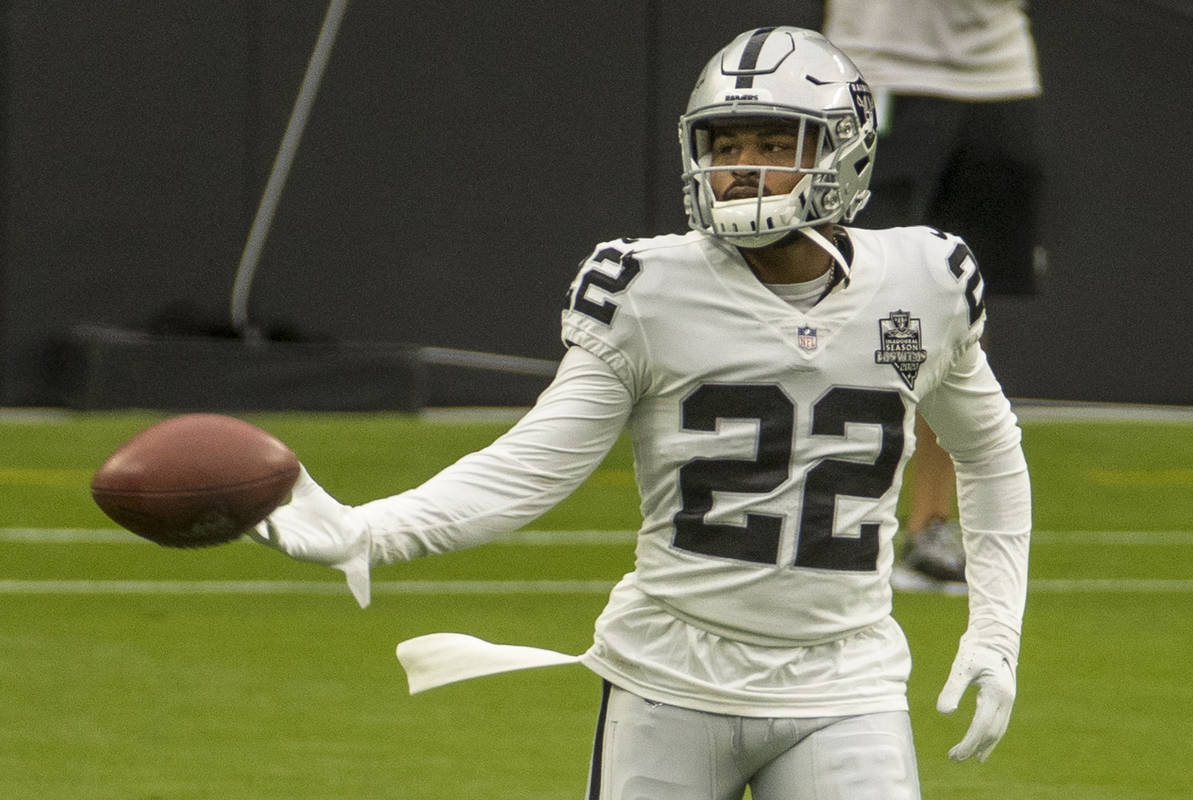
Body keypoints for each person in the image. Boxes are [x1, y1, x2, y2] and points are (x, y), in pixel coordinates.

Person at [252, 27, 1031, 799]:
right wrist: (369, 532)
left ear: (844, 150)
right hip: (671, 679)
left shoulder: (925, 279)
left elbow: (991, 453)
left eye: (772, 142)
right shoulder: (648, 288)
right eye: (724, 147)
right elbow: (533, 464)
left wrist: (995, 633)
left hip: (844, 680)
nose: (741, 170)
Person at [823, 0, 1044, 593]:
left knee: (962, 304)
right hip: (876, 71)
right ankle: (831, 514)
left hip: (997, 76)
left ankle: (929, 528)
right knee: (856, 288)